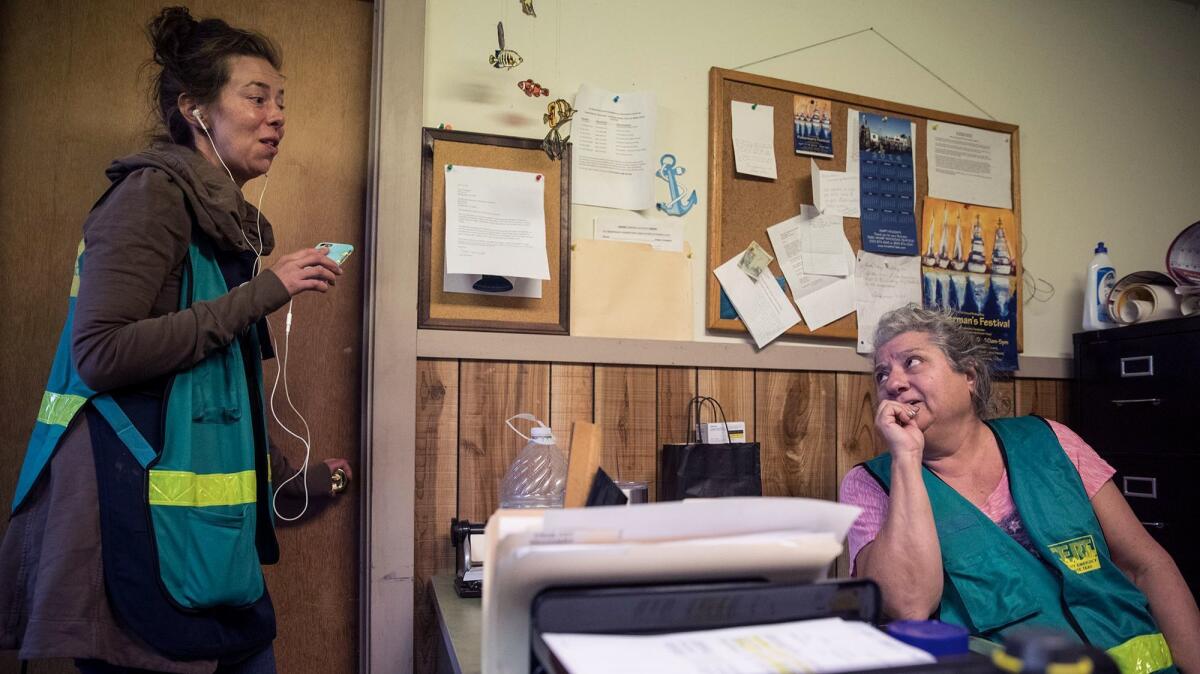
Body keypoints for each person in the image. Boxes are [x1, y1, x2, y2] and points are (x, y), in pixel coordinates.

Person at [0, 7, 352, 673]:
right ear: (194, 109)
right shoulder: (150, 197)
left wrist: (295, 481)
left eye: (282, 100)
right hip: (127, 522)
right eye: (256, 97)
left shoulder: (221, 225)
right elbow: (100, 353)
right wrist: (266, 290)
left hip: (199, 544)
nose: (277, 115)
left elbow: (218, 384)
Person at [840, 304, 1199, 673]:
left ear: (969, 376)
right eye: (882, 374)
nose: (893, 383)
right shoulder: (870, 484)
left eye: (912, 362)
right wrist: (906, 459)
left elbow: (1147, 566)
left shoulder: (1054, 441)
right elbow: (908, 606)